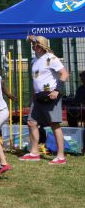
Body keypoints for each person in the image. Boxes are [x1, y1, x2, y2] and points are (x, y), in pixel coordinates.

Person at [20, 35, 69, 164]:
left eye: (35, 44)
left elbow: (65, 73)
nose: (32, 45)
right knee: (31, 122)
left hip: (51, 96)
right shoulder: (34, 60)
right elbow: (35, 81)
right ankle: (34, 152)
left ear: (41, 46)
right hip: (37, 97)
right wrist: (33, 96)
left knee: (54, 125)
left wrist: (57, 90)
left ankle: (60, 156)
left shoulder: (51, 58)